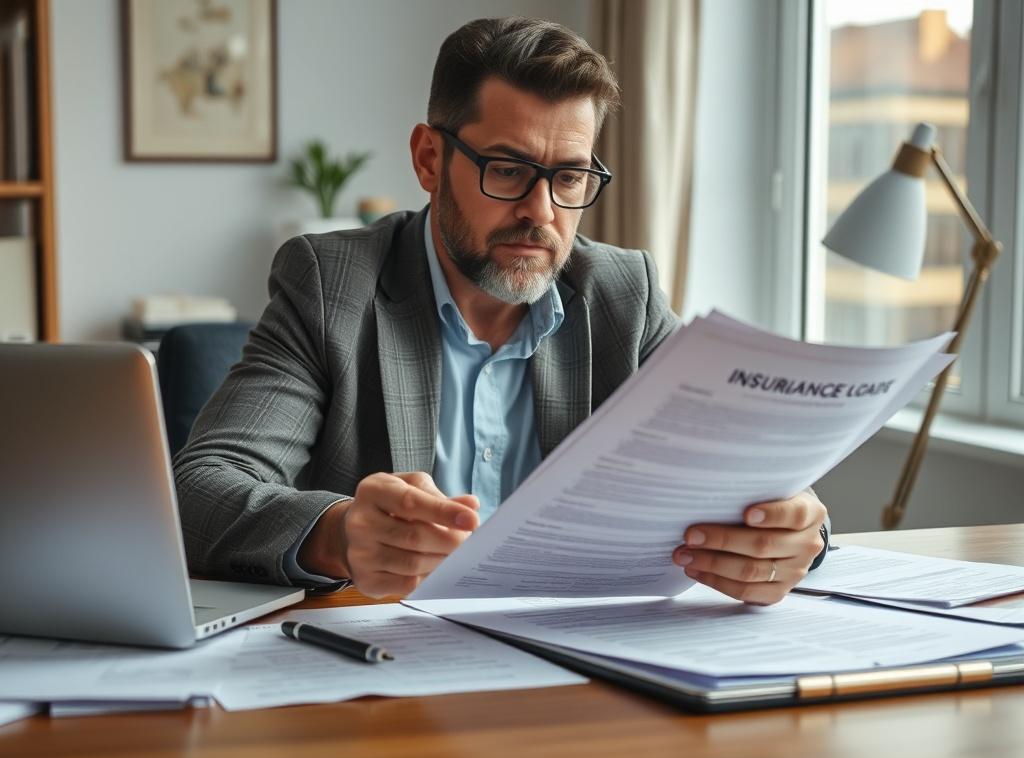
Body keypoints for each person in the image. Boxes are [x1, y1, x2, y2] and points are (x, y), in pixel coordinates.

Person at [174, 17, 828, 604]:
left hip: (580, 680)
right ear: (430, 159)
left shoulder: (622, 295)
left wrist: (798, 532)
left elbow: (750, 475)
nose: (541, 213)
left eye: (569, 177)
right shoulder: (333, 286)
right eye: (508, 170)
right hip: (383, 684)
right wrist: (340, 534)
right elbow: (197, 493)